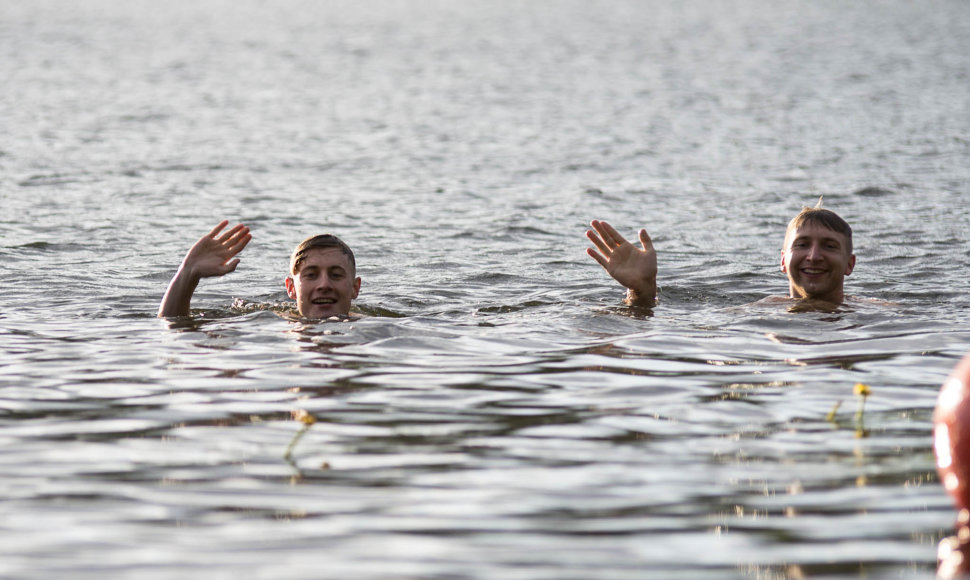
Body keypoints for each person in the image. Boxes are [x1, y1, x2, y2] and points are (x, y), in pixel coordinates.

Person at [586, 201, 857, 309]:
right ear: (783, 260)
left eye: (829, 246)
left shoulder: (881, 315)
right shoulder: (755, 314)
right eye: (802, 245)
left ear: (849, 263)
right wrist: (641, 292)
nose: (814, 255)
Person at [158, 220, 361, 319]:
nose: (324, 284)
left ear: (355, 288)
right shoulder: (265, 324)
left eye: (335, 275)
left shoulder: (376, 330)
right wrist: (187, 274)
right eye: (311, 275)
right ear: (290, 288)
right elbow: (174, 325)